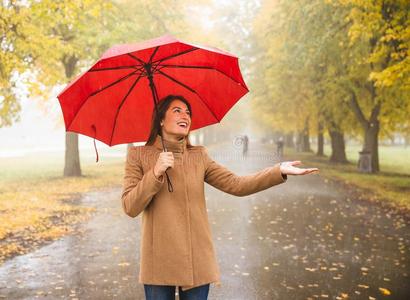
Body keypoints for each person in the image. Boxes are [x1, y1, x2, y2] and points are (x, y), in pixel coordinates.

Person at [121, 95, 319, 300]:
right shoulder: (139, 156)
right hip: (158, 262)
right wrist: (155, 172)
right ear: (161, 119)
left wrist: (278, 171)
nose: (185, 116)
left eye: (188, 112)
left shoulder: (199, 156)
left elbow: (237, 184)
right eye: (177, 110)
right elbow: (130, 206)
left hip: (197, 261)